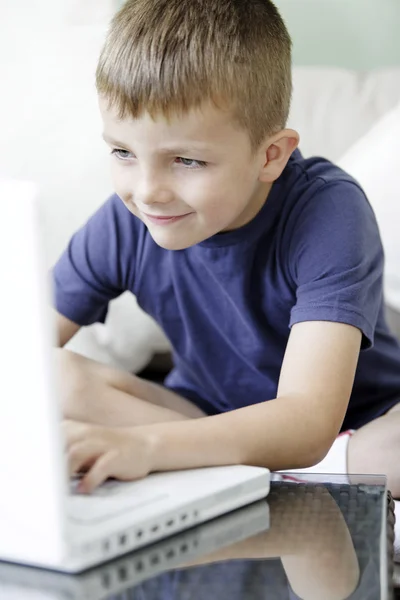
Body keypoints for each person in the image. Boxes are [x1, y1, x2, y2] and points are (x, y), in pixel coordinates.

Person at [55, 0, 400, 496]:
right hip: (203, 417)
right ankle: (256, 470)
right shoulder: (127, 219)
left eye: (187, 160)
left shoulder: (329, 212)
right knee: (55, 376)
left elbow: (306, 419)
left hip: (351, 427)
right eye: (124, 153)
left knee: (390, 450)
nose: (148, 190)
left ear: (271, 155)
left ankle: (267, 471)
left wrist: (148, 447)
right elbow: (21, 355)